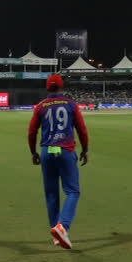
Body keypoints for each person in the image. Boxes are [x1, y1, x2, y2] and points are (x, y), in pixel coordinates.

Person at [27, 74, 89, 249]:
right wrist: (85, 149)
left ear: (48, 88)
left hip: (47, 151)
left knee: (51, 194)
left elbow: (31, 132)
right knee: (73, 191)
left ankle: (56, 233)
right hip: (65, 150)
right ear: (62, 87)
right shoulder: (70, 104)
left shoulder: (40, 106)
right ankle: (63, 226)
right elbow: (82, 129)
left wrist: (33, 152)